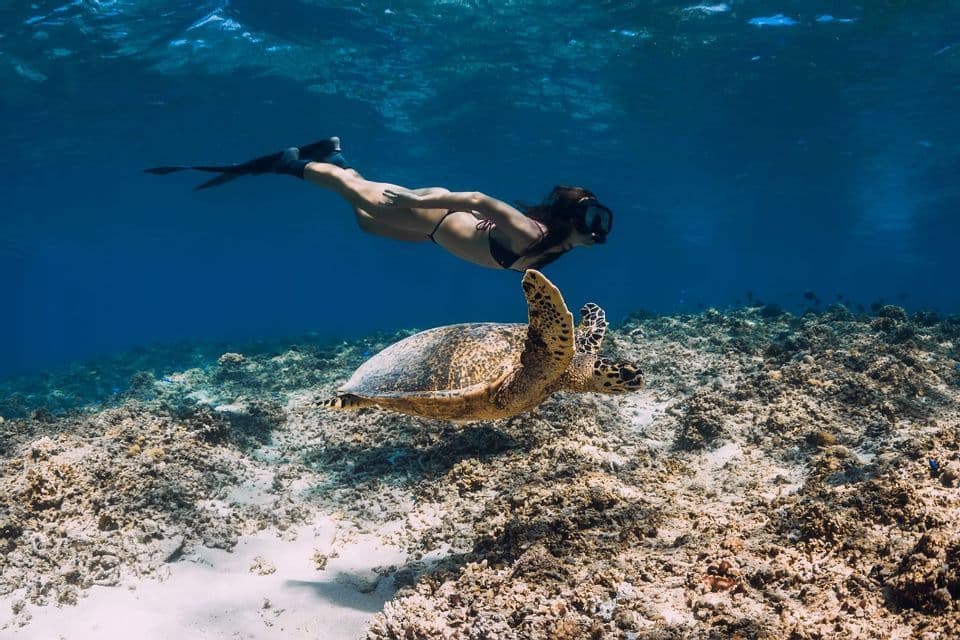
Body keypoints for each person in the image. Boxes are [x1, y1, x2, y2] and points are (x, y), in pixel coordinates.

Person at [145, 137, 613, 271]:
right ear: (573, 220)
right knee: (355, 194)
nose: (598, 231)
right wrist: (412, 197)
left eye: (599, 222)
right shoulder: (531, 234)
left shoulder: (562, 246)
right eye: (592, 220)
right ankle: (286, 163)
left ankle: (335, 156)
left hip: (433, 233)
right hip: (437, 211)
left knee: (366, 224)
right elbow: (477, 199)